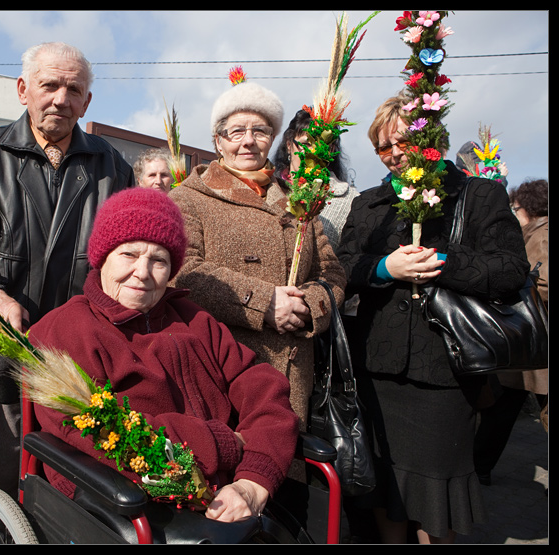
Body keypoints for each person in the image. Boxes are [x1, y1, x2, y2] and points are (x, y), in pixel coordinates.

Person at [10, 187, 299, 523]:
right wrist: (223, 444)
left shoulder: (194, 319)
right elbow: (100, 433)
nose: (143, 273)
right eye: (129, 255)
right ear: (102, 257)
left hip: (227, 493)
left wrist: (252, 481)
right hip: (124, 504)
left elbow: (265, 391)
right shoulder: (66, 329)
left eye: (158, 260)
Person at [0, 41, 134, 497]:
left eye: (74, 89)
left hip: (80, 340)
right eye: (50, 85)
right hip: (2, 331)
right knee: (2, 455)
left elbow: (126, 250)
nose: (61, 98)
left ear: (87, 101)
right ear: (24, 89)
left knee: (74, 456)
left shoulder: (112, 166)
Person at [335, 92, 530, 543]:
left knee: (436, 500)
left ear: (432, 140)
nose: (395, 155)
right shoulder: (369, 203)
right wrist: (386, 268)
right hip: (376, 371)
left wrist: (440, 260)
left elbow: (510, 270)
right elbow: (341, 267)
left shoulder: (479, 195)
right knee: (387, 493)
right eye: (383, 147)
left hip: (445, 371)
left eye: (404, 141)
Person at [169, 80, 346, 482]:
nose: (248, 142)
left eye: (260, 131)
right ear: (218, 140)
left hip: (293, 370)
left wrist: (307, 307)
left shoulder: (301, 199)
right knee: (226, 479)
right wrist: (264, 302)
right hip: (222, 367)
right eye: (236, 132)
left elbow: (332, 273)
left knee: (282, 482)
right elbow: (184, 270)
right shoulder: (189, 197)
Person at [473, 178, 549, 484]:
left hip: (534, 339)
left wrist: (515, 284)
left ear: (527, 208)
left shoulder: (541, 235)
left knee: (505, 407)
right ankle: (480, 468)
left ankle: (479, 469)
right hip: (529, 341)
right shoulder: (536, 232)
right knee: (503, 407)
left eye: (516, 207)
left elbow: (543, 282)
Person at [273, 109, 358, 251]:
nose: (313, 153)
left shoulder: (350, 200)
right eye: (305, 145)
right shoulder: (266, 189)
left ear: (331, 151)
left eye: (321, 147)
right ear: (289, 145)